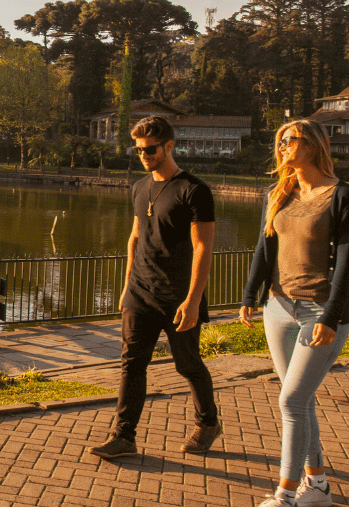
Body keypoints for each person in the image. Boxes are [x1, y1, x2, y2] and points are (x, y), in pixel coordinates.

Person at [239, 120, 349, 507]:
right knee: (302, 400)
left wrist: (328, 317)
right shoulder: (279, 192)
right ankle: (319, 487)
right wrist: (250, 294)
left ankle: (286, 496)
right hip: (278, 307)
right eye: (278, 141)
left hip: (319, 311)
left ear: (311, 145)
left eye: (288, 140)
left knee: (291, 402)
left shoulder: (342, 196)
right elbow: (265, 249)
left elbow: (346, 264)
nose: (281, 147)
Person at [90, 115, 221, 459]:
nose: (144, 155)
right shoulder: (138, 187)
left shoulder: (194, 190)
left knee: (187, 364)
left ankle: (208, 423)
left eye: (150, 149)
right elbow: (135, 237)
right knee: (132, 363)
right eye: (139, 150)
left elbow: (203, 247)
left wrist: (193, 301)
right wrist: (125, 287)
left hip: (178, 297)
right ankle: (124, 437)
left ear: (168, 146)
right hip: (139, 293)